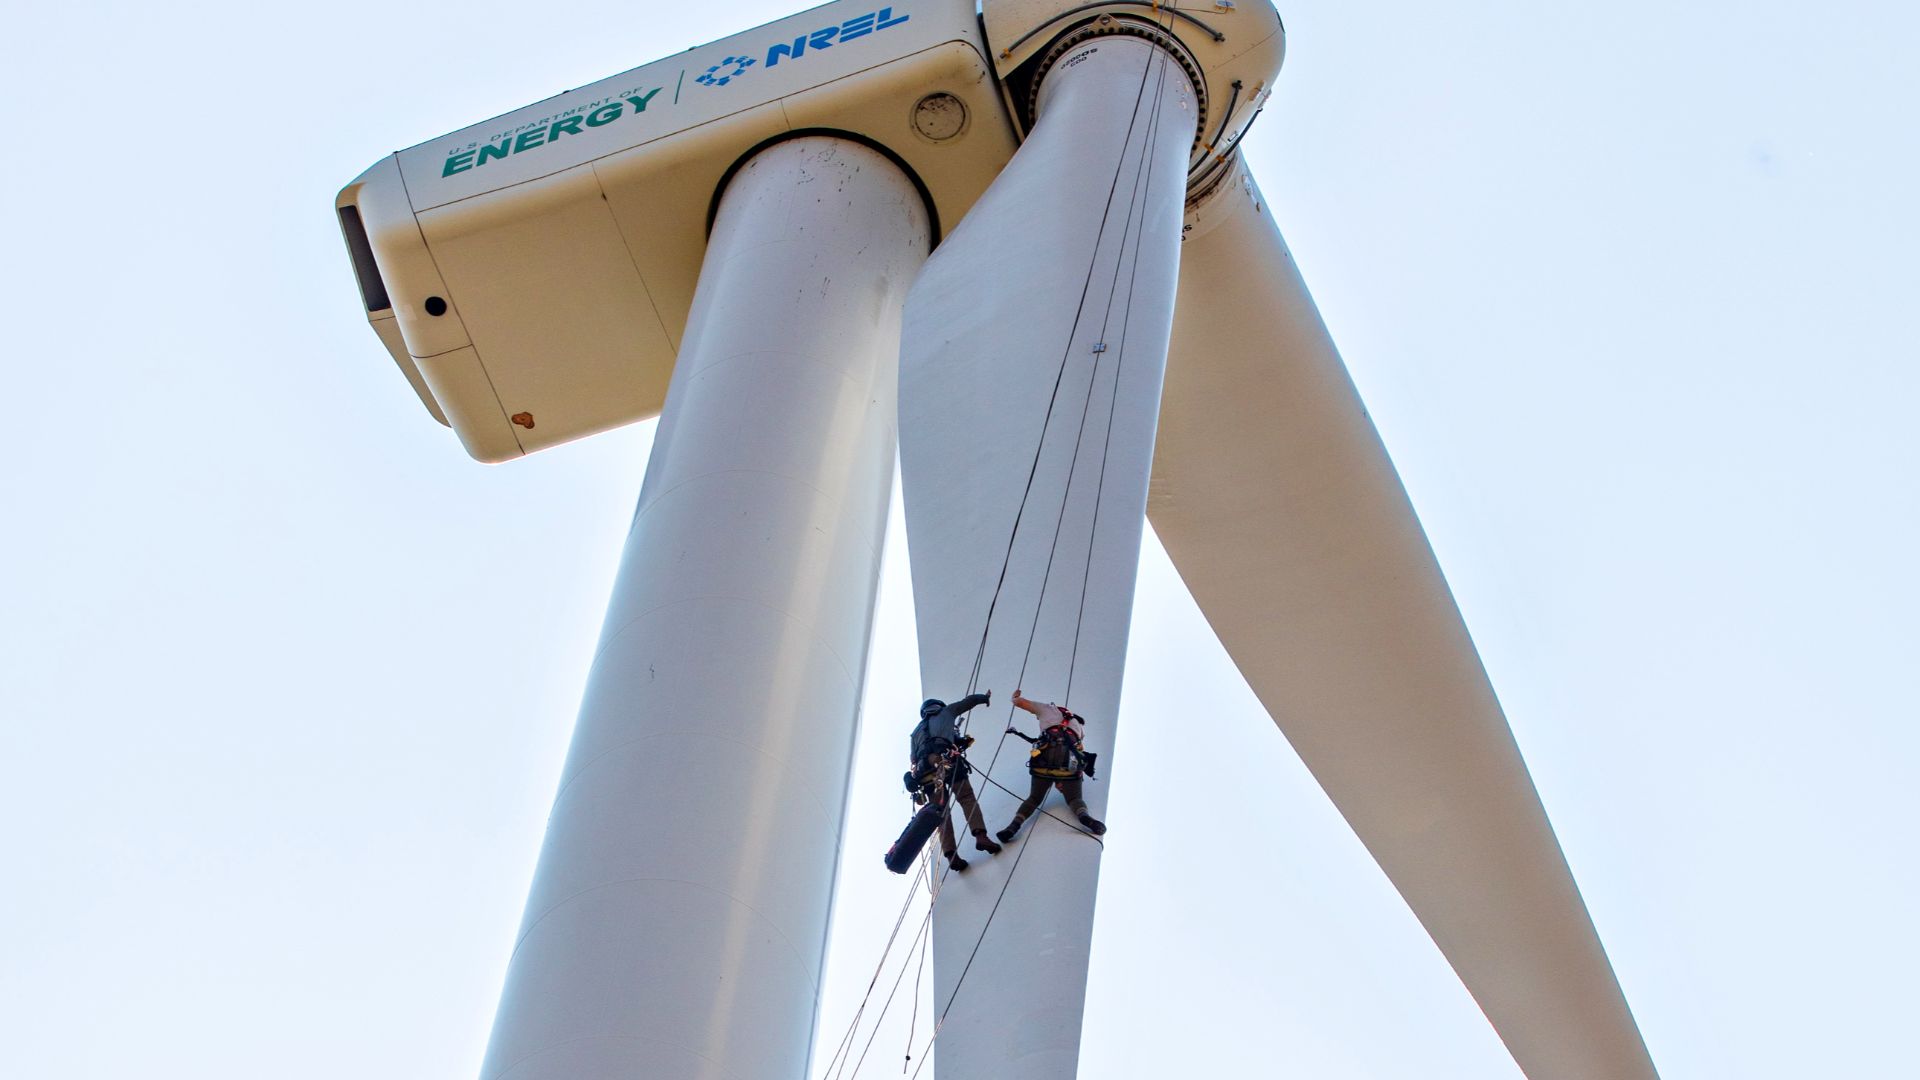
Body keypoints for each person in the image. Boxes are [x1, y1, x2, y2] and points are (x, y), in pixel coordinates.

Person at [907, 692, 1002, 871]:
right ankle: (981, 836)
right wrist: (984, 698)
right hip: (946, 761)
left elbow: (913, 758)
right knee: (966, 797)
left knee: (941, 814)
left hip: (925, 773)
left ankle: (951, 856)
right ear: (938, 705)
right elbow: (967, 702)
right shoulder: (946, 712)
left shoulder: (915, 733)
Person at [996, 689, 1106, 841]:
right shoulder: (1078, 728)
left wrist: (1015, 698)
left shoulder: (1047, 709)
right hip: (1068, 768)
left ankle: (1013, 827)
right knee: (1074, 799)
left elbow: (1021, 703)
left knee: (1034, 799)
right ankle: (1084, 817)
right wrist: (1061, 781)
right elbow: (1079, 753)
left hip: (1043, 763)